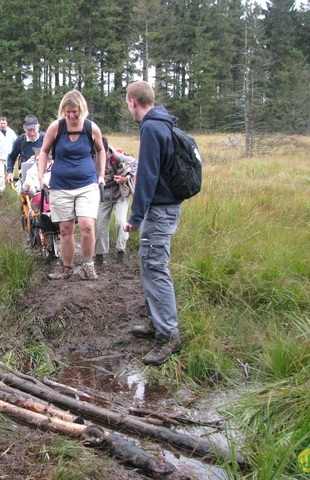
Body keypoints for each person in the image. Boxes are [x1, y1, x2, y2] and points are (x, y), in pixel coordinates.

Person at [124, 80, 183, 366]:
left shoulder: (150, 127)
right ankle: (156, 322)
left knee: (157, 267)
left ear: (133, 101)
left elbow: (146, 176)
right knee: (149, 262)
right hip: (164, 208)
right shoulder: (164, 122)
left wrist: (135, 217)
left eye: (128, 103)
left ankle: (168, 335)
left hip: (159, 211)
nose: (129, 108)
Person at [38, 90, 105, 281]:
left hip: (87, 184)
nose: (71, 116)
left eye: (75, 112)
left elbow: (101, 151)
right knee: (65, 229)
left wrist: (101, 175)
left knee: (87, 226)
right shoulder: (56, 128)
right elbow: (44, 151)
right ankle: (66, 268)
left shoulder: (91, 128)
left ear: (81, 110)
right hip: (61, 185)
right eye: (68, 112)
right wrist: (41, 177)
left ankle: (88, 265)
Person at [94, 137, 137, 266]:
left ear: (106, 150)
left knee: (120, 222)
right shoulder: (90, 158)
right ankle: (100, 255)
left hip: (120, 194)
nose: (96, 154)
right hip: (103, 195)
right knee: (100, 225)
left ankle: (121, 251)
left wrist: (126, 178)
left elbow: (136, 163)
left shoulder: (116, 157)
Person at [6, 115, 45, 185]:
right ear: (24, 128)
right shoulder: (20, 141)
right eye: (29, 130)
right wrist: (10, 172)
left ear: (38, 126)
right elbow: (11, 157)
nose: (32, 133)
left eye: (34, 129)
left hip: (44, 174)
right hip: (26, 176)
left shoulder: (45, 139)